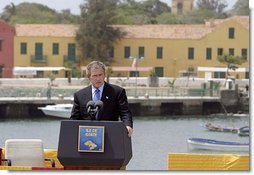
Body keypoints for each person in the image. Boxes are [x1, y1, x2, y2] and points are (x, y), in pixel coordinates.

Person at [70, 61, 133, 137]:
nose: (98, 78)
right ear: (89, 77)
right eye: (95, 76)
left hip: (111, 135)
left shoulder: (117, 92)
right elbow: (74, 119)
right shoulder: (79, 95)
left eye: (100, 75)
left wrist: (128, 125)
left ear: (104, 75)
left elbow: (125, 113)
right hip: (87, 137)